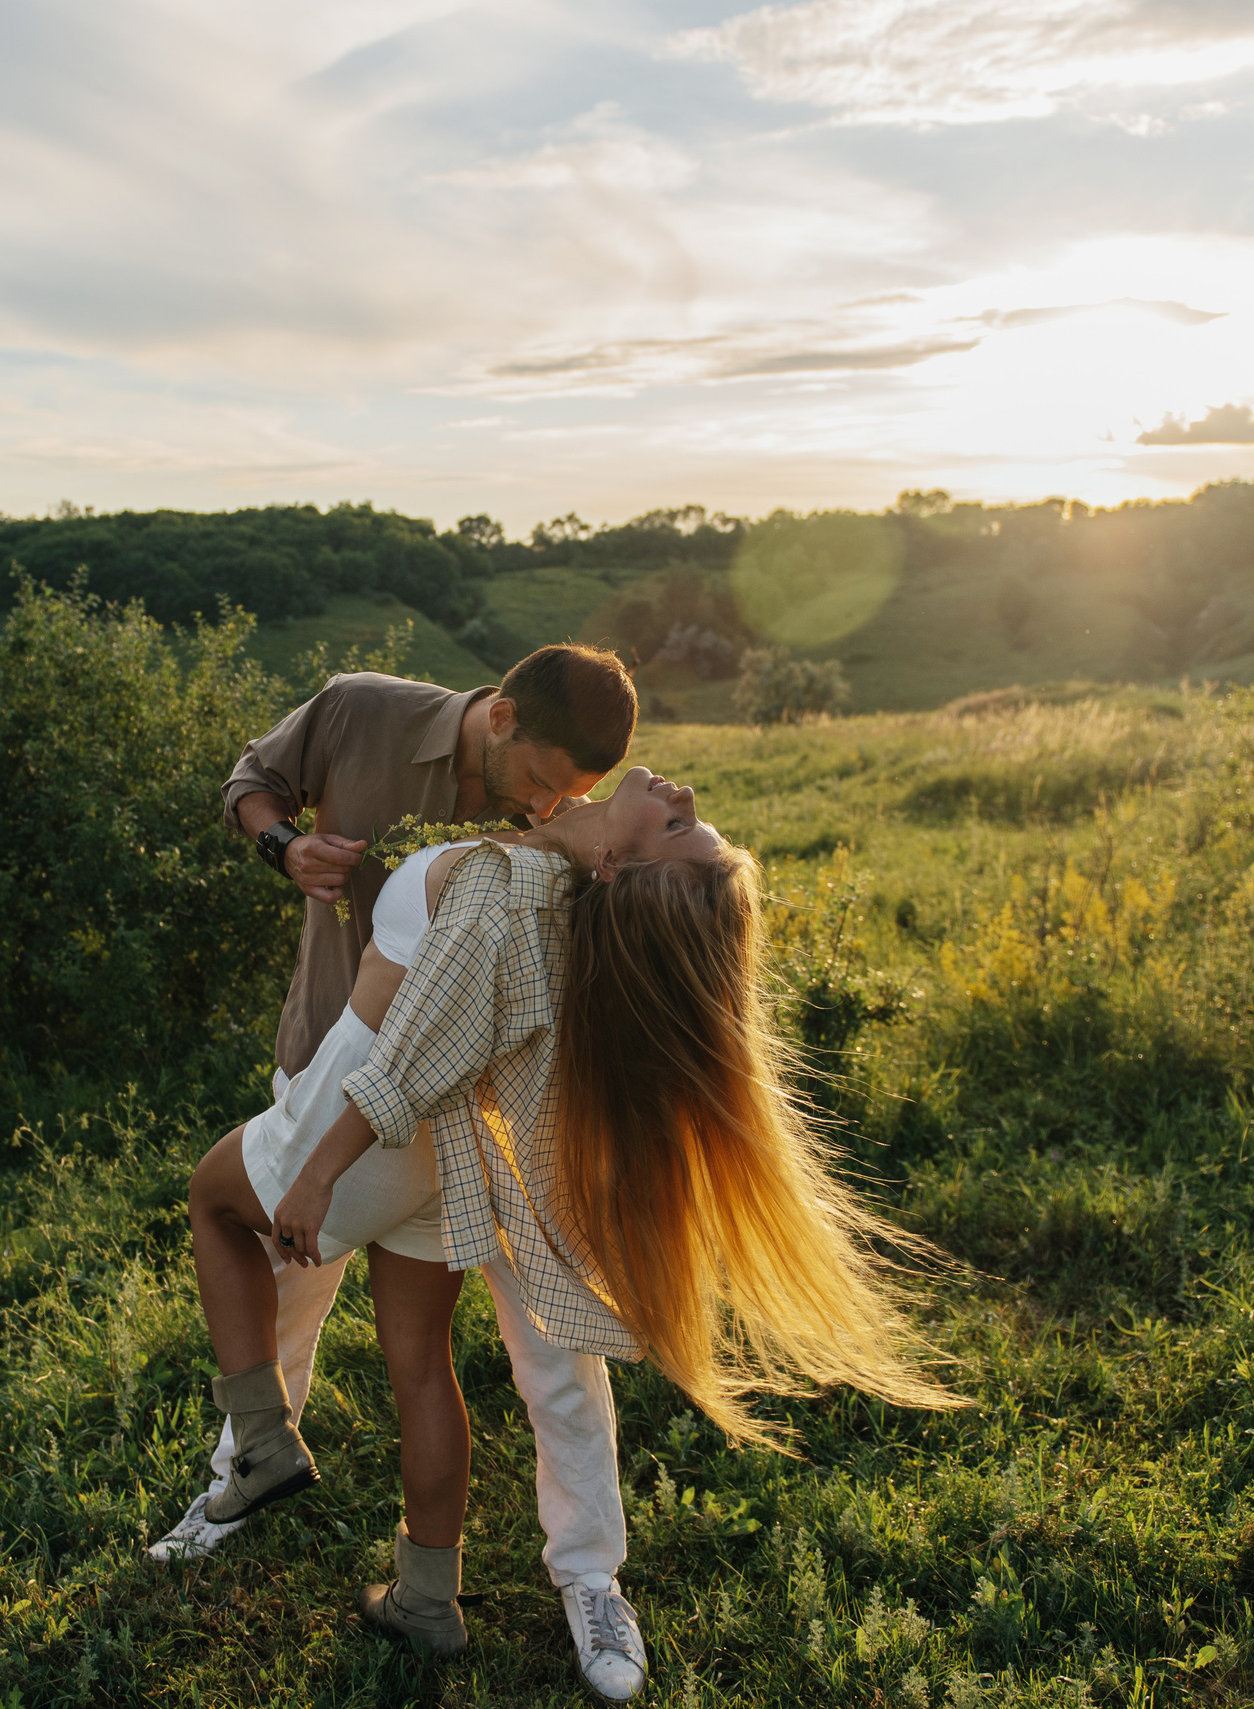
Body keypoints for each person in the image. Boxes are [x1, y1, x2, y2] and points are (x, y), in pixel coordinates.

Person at [187, 768, 964, 1676]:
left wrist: (318, 1172)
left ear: (613, 863)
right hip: (450, 1166)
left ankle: (264, 1439)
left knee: (212, 1199)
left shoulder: (507, 887)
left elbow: (410, 1057)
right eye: (687, 817)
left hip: (367, 1132)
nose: (684, 793)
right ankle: (424, 1596)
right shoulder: (576, 893)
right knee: (422, 1370)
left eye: (678, 824)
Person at [153, 645, 657, 1702]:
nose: (553, 805)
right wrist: (285, 848)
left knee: (552, 1352)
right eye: (544, 783)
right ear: (503, 715)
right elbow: (251, 781)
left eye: (576, 797)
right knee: (350, 1324)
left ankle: (585, 1576)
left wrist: (330, 1152)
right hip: (357, 1072)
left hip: (457, 1115)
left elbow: (424, 1033)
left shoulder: (522, 850)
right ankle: (268, 1501)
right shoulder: (358, 714)